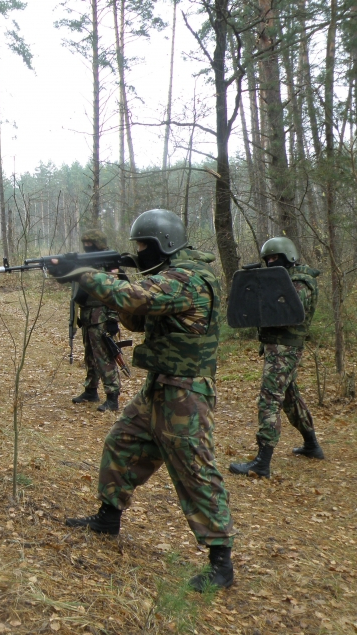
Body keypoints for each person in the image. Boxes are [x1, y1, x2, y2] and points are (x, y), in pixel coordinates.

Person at [55, 209, 234, 593]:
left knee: (195, 471)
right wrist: (113, 279)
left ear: (162, 245)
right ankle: (108, 517)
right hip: (160, 385)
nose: (137, 251)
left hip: (186, 392)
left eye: (142, 245)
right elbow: (137, 317)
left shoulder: (189, 278)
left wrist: (83, 273)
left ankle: (221, 560)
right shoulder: (169, 278)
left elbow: (135, 297)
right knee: (122, 442)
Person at [229, 237, 323, 478]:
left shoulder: (303, 281)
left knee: (269, 399)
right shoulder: (277, 279)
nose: (271, 262)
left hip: (286, 348)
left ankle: (262, 461)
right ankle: (311, 444)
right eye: (267, 259)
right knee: (290, 397)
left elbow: (289, 311)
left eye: (275, 258)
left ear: (288, 257)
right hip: (277, 347)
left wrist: (267, 288)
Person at [71, 229, 122, 412]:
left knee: (104, 357)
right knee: (90, 356)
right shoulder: (86, 262)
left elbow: (118, 292)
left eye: (90, 244)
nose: (86, 247)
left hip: (102, 316)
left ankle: (112, 396)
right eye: (85, 243)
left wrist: (112, 319)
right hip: (87, 316)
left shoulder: (109, 262)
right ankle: (91, 390)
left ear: (98, 244)